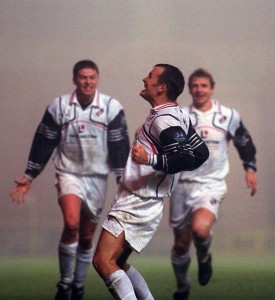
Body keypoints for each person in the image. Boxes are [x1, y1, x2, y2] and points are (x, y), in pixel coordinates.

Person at [9, 60, 130, 300]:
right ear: (74, 79)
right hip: (68, 173)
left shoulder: (111, 107)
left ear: (97, 79)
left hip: (97, 177)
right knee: (72, 223)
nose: (87, 82)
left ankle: (78, 284)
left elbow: (119, 145)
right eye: (83, 77)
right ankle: (64, 283)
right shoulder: (59, 106)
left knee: (86, 236)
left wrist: (122, 178)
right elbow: (44, 141)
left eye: (91, 77)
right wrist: (29, 175)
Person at [92, 64, 209, 300]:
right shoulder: (175, 115)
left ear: (161, 87)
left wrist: (150, 158)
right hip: (146, 200)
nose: (144, 79)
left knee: (103, 261)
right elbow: (201, 153)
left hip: (137, 202)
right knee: (119, 262)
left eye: (150, 76)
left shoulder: (164, 120)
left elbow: (185, 157)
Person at [170, 68, 257, 300]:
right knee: (180, 246)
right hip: (181, 185)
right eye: (195, 86)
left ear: (212, 88)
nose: (199, 90)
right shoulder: (179, 115)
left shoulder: (227, 115)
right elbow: (163, 140)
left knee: (200, 230)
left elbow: (244, 142)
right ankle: (182, 287)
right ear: (190, 89)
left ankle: (205, 256)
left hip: (211, 184)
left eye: (204, 86)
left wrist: (250, 168)